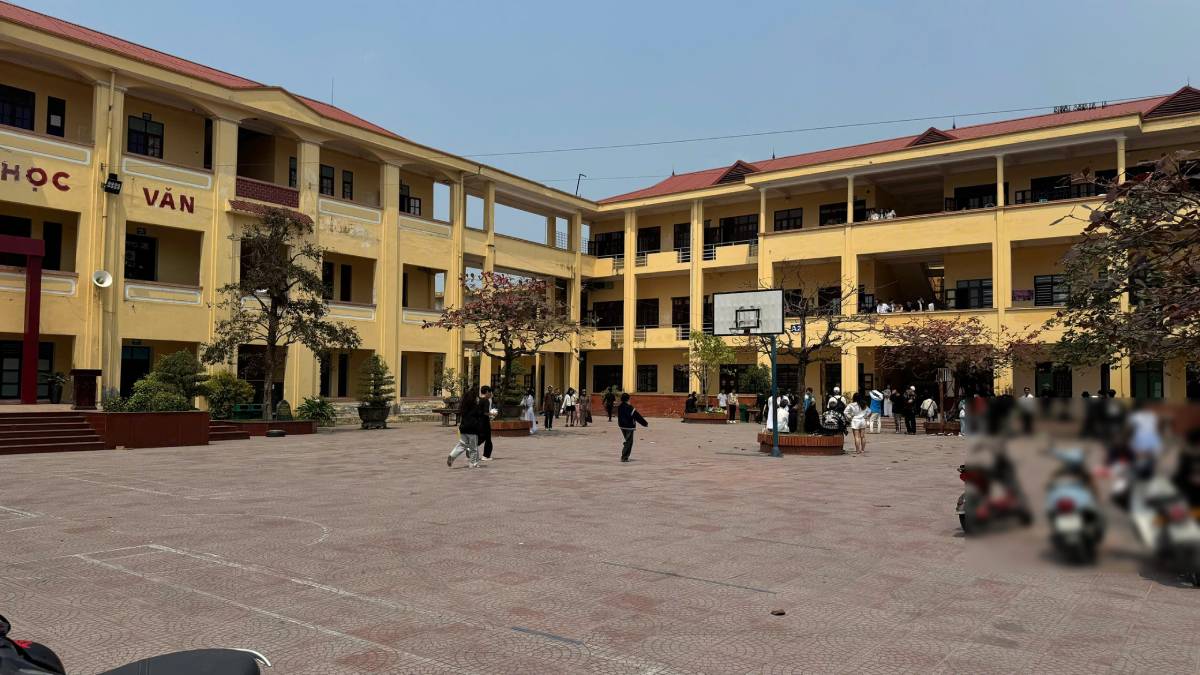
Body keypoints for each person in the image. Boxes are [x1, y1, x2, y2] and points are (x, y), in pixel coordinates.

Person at [447, 387, 485, 468]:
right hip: (472, 429)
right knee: (473, 447)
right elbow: (480, 415)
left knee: (462, 445)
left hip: (463, 428)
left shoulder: (464, 407)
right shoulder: (475, 407)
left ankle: (452, 455)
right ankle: (473, 463)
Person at [617, 392, 649, 462]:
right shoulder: (629, 407)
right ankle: (624, 457)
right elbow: (637, 416)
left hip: (622, 426)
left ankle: (624, 455)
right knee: (629, 442)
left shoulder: (620, 406)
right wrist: (645, 423)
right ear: (628, 399)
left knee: (627, 440)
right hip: (629, 426)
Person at [478, 386, 497, 461]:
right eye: (490, 392)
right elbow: (485, 412)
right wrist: (492, 414)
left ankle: (471, 448)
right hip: (485, 422)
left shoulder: (478, 400)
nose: (490, 394)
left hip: (478, 422)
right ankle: (486, 456)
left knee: (482, 437)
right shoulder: (486, 401)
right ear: (486, 392)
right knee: (488, 439)